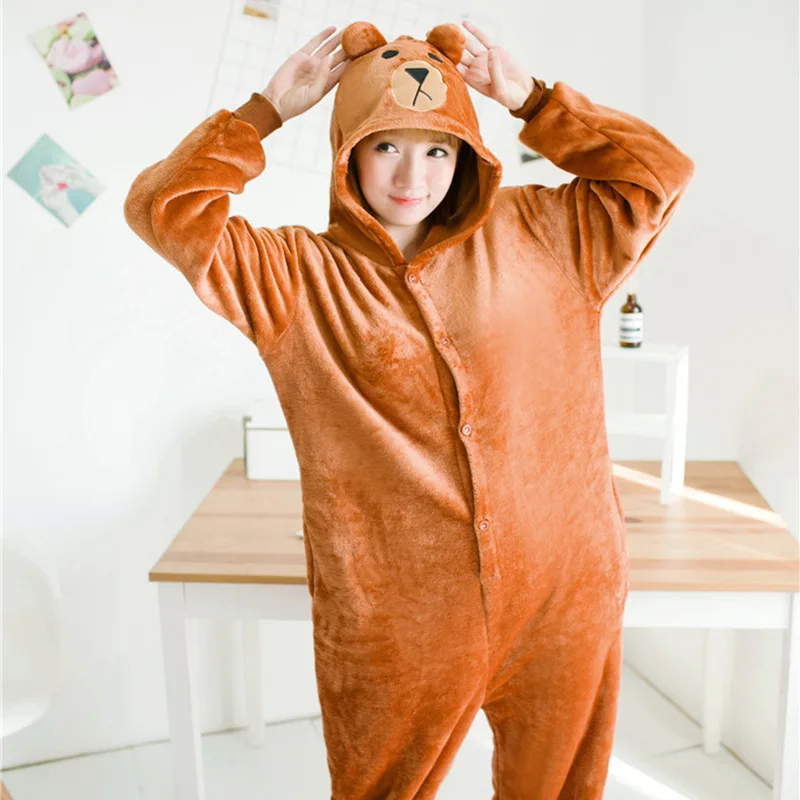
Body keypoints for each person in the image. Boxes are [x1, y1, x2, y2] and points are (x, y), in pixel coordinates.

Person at [124, 20, 695, 799]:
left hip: (565, 595)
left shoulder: (546, 232)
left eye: (437, 150)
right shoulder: (294, 274)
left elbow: (659, 174)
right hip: (398, 619)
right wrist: (265, 111)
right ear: (348, 152)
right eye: (386, 145)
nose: (410, 175)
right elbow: (163, 207)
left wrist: (533, 101)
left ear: (466, 156)